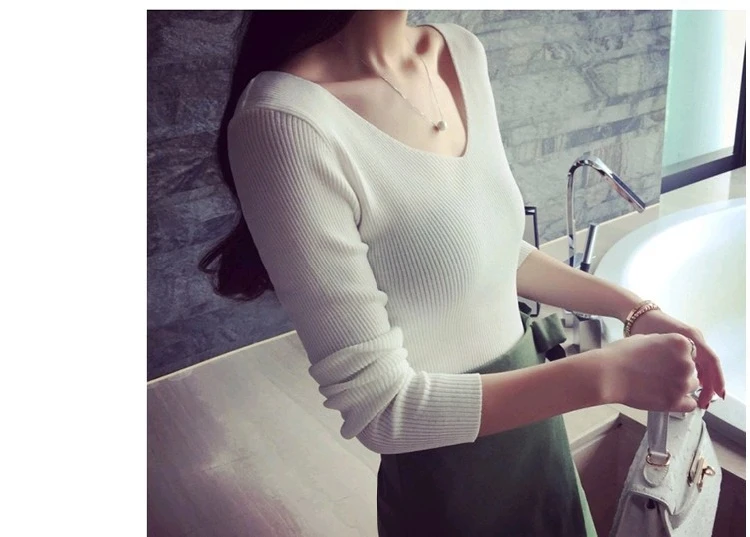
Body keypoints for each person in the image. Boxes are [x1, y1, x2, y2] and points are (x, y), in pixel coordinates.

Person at [199, 10, 726, 537]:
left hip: (538, 429)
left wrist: (635, 311)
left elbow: (491, 253)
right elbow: (382, 409)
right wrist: (607, 376)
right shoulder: (284, 120)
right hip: (451, 475)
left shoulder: (459, 52)